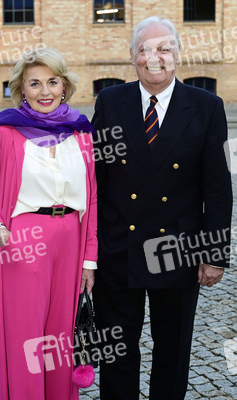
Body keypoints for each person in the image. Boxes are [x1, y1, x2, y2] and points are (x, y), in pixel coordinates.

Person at [92, 16, 232, 400]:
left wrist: (214, 254)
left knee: (172, 351)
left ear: (178, 55)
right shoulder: (110, 101)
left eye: (164, 48)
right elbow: (96, 179)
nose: (154, 58)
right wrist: (91, 252)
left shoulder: (206, 106)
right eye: (144, 50)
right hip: (119, 248)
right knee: (117, 350)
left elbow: (217, 188)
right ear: (132, 57)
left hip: (178, 251)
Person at [0, 47, 97, 400]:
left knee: (60, 338)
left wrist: (90, 258)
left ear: (64, 86)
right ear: (21, 89)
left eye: (52, 82)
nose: (45, 91)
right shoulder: (5, 131)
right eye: (35, 83)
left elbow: (92, 200)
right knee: (26, 340)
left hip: (71, 241)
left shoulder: (81, 133)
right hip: (22, 242)